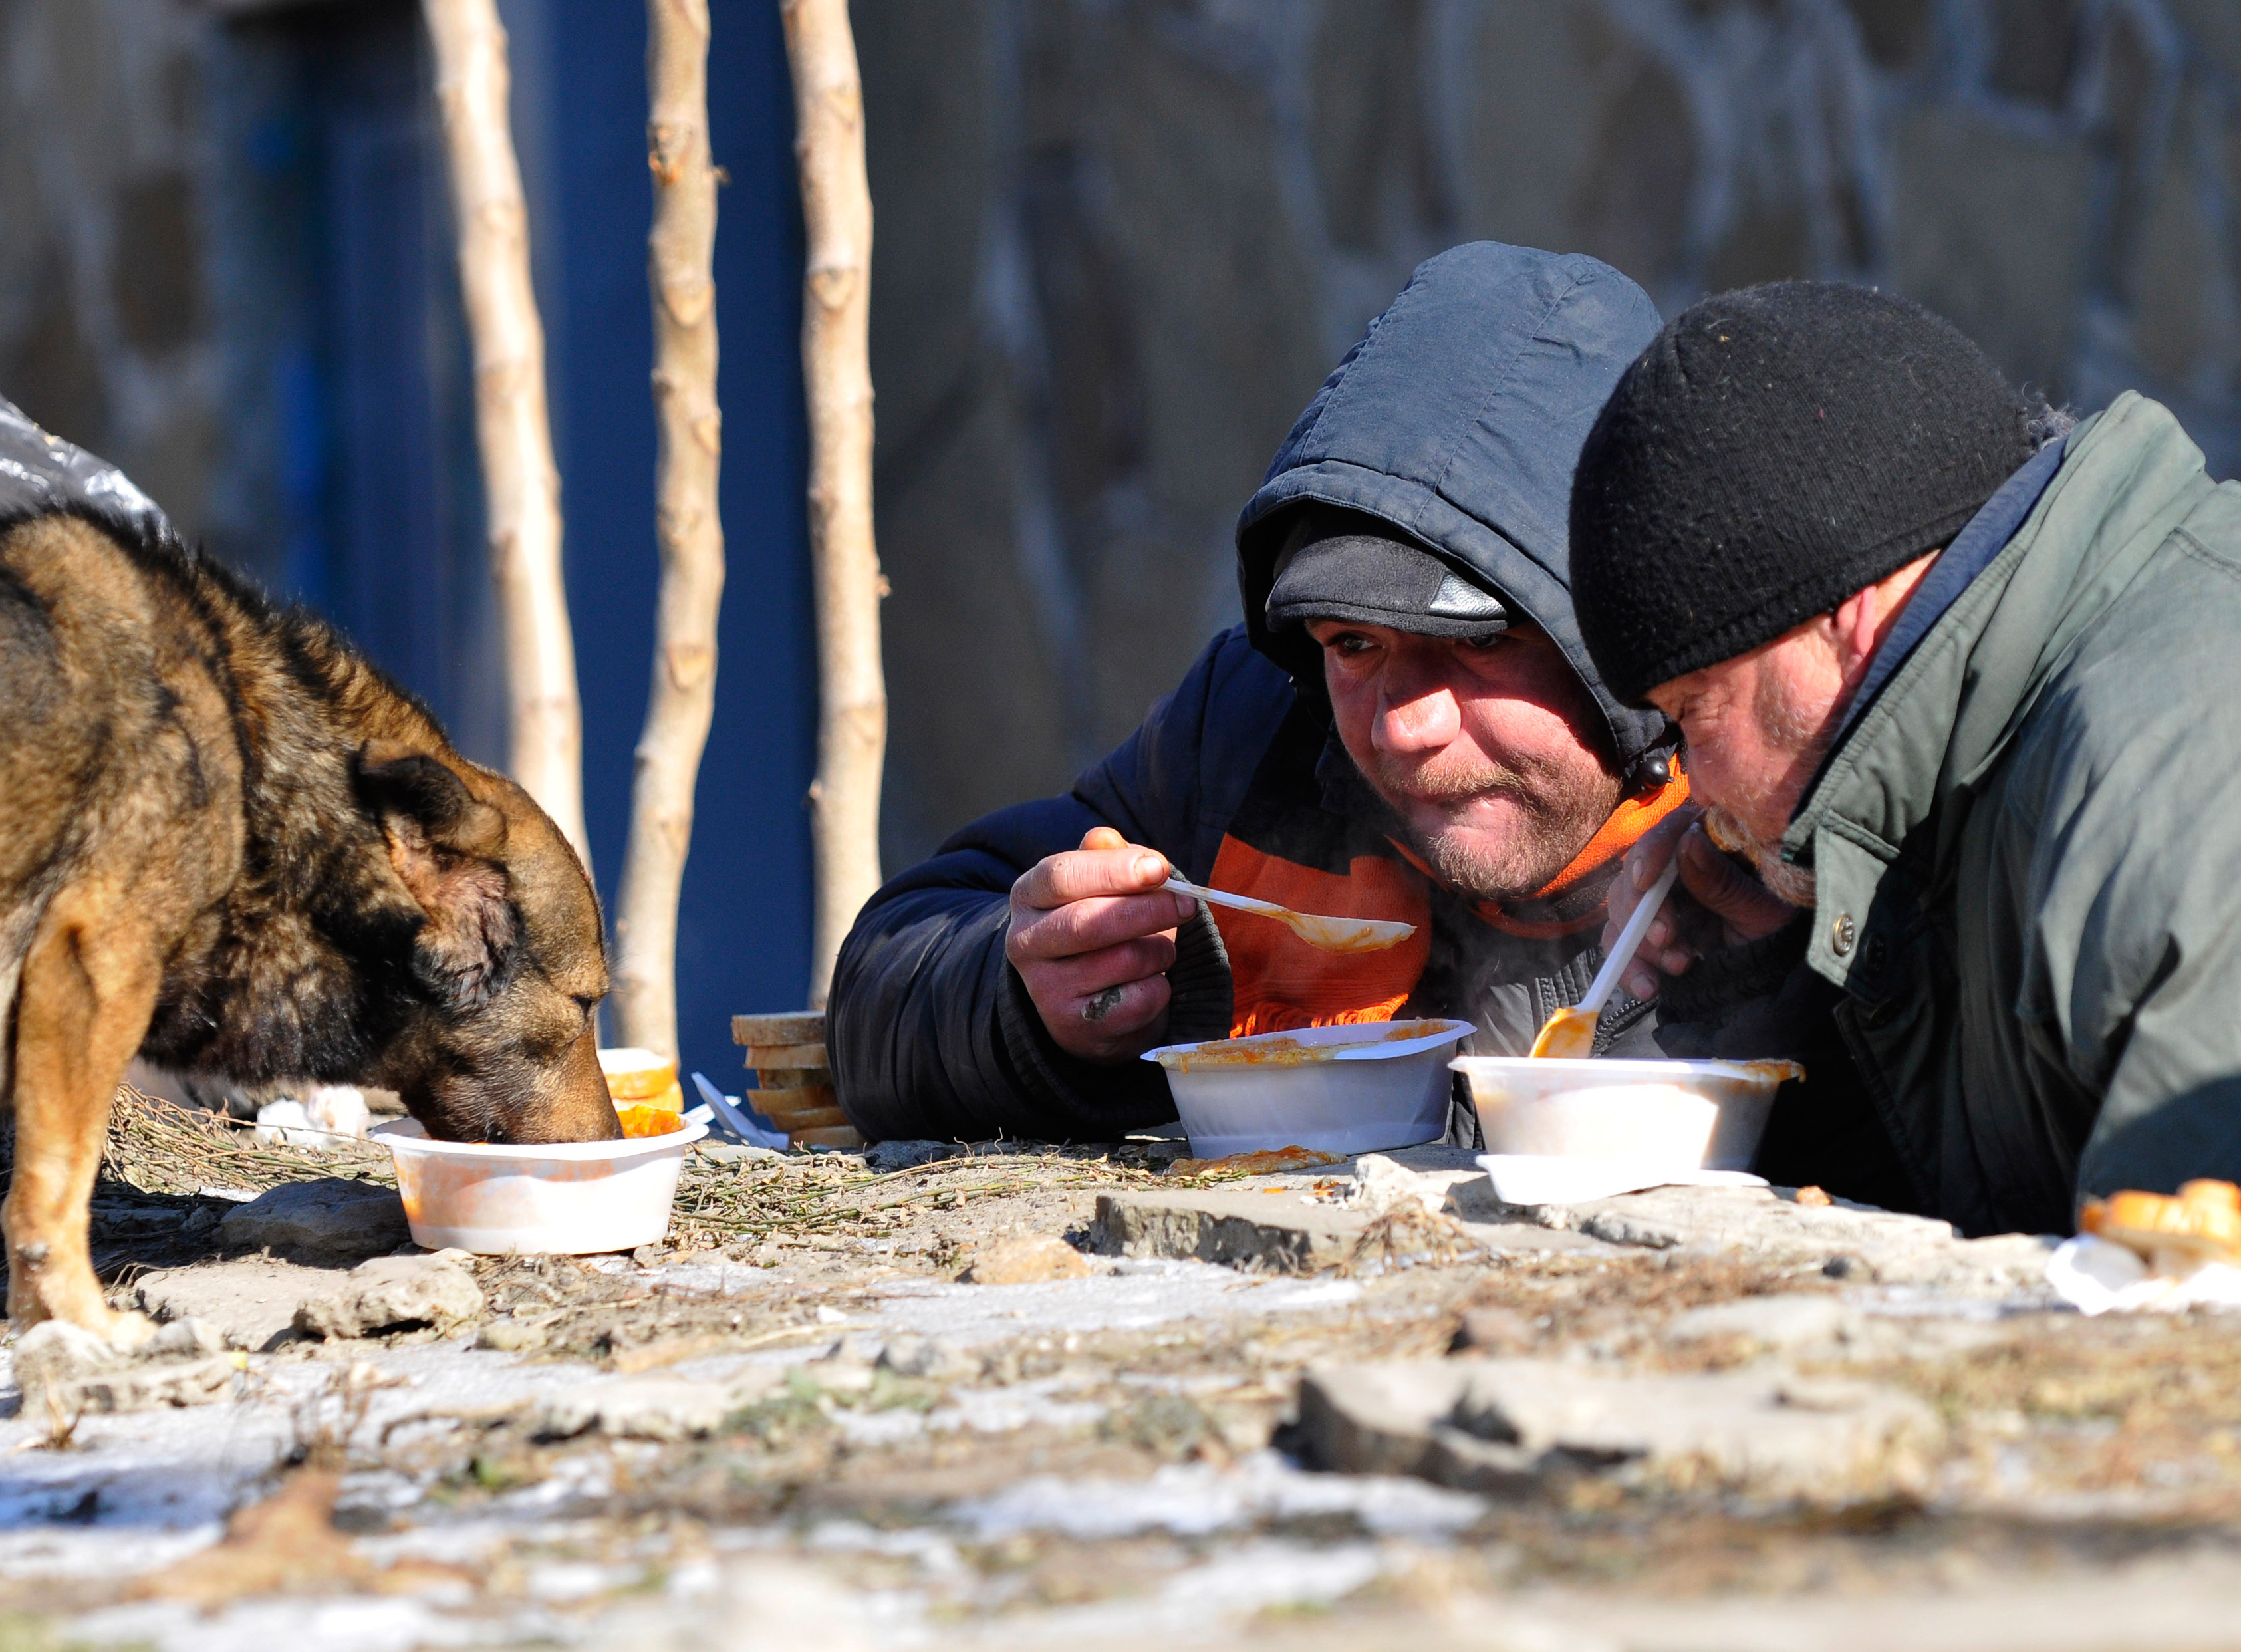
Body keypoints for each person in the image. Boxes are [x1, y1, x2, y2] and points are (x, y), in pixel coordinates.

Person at [827, 242, 1682, 1142]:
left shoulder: (1767, 820)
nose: (1402, 726)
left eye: (1475, 643)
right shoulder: (1251, 737)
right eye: (1353, 643)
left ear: (1620, 634)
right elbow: (883, 985)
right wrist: (1023, 997)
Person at [1569, 279, 2241, 1234]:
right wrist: (1799, 972)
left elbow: (2168, 1341)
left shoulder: (2164, 803)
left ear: (1843, 614)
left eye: (1691, 718)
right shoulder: (1991, 752)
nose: (1694, 788)